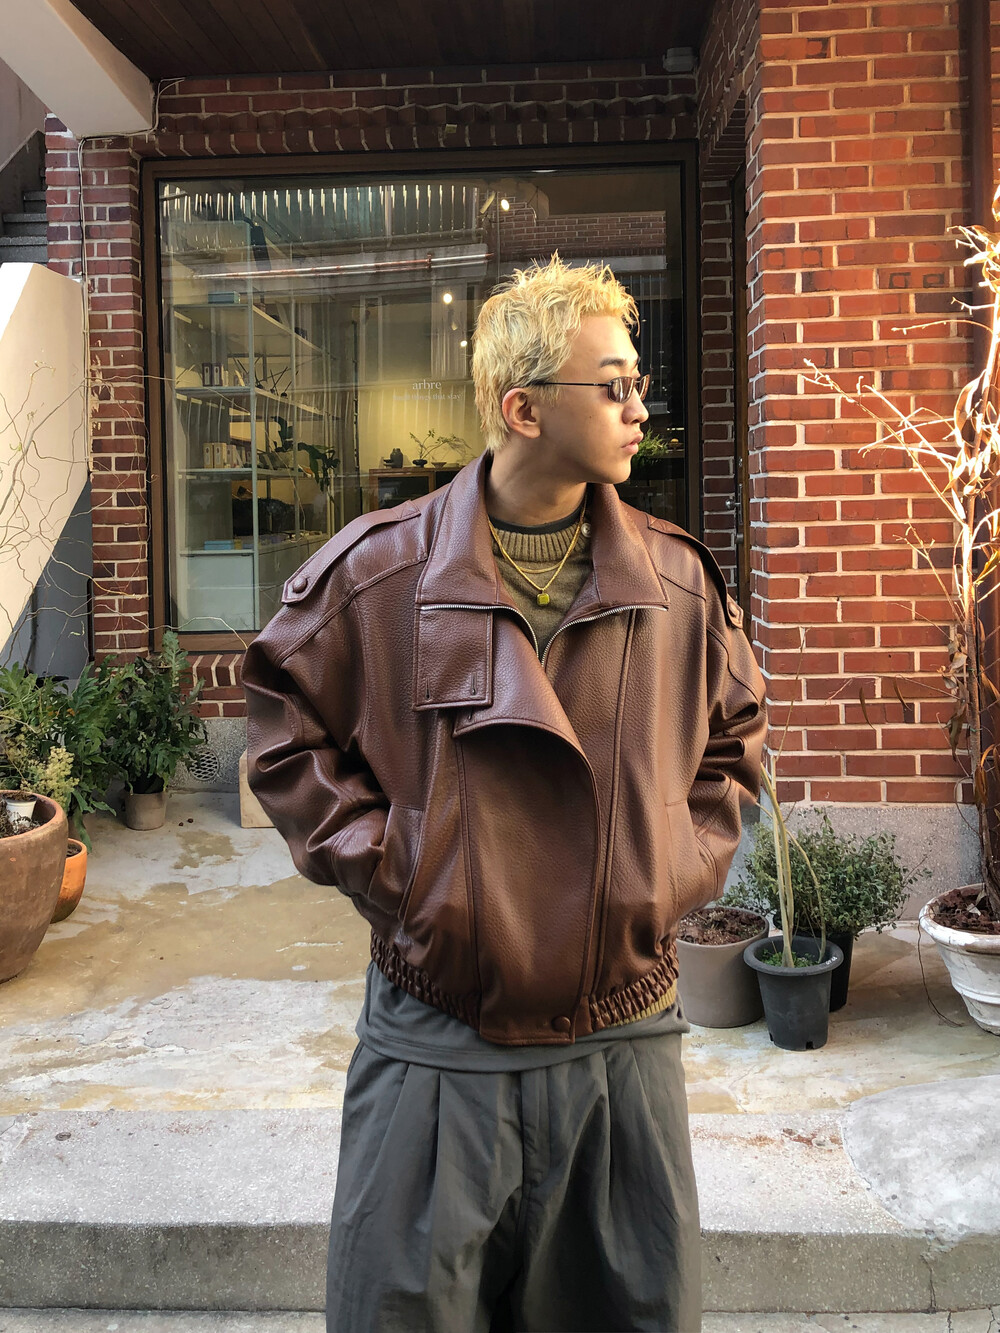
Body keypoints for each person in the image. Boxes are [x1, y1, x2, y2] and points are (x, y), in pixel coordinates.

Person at [243, 255, 767, 1333]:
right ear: (522, 409)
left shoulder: (675, 584)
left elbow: (734, 740)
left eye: (638, 383)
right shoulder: (379, 576)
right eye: (613, 386)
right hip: (438, 1043)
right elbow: (284, 724)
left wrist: (664, 869)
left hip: (621, 1042)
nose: (639, 407)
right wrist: (406, 874)